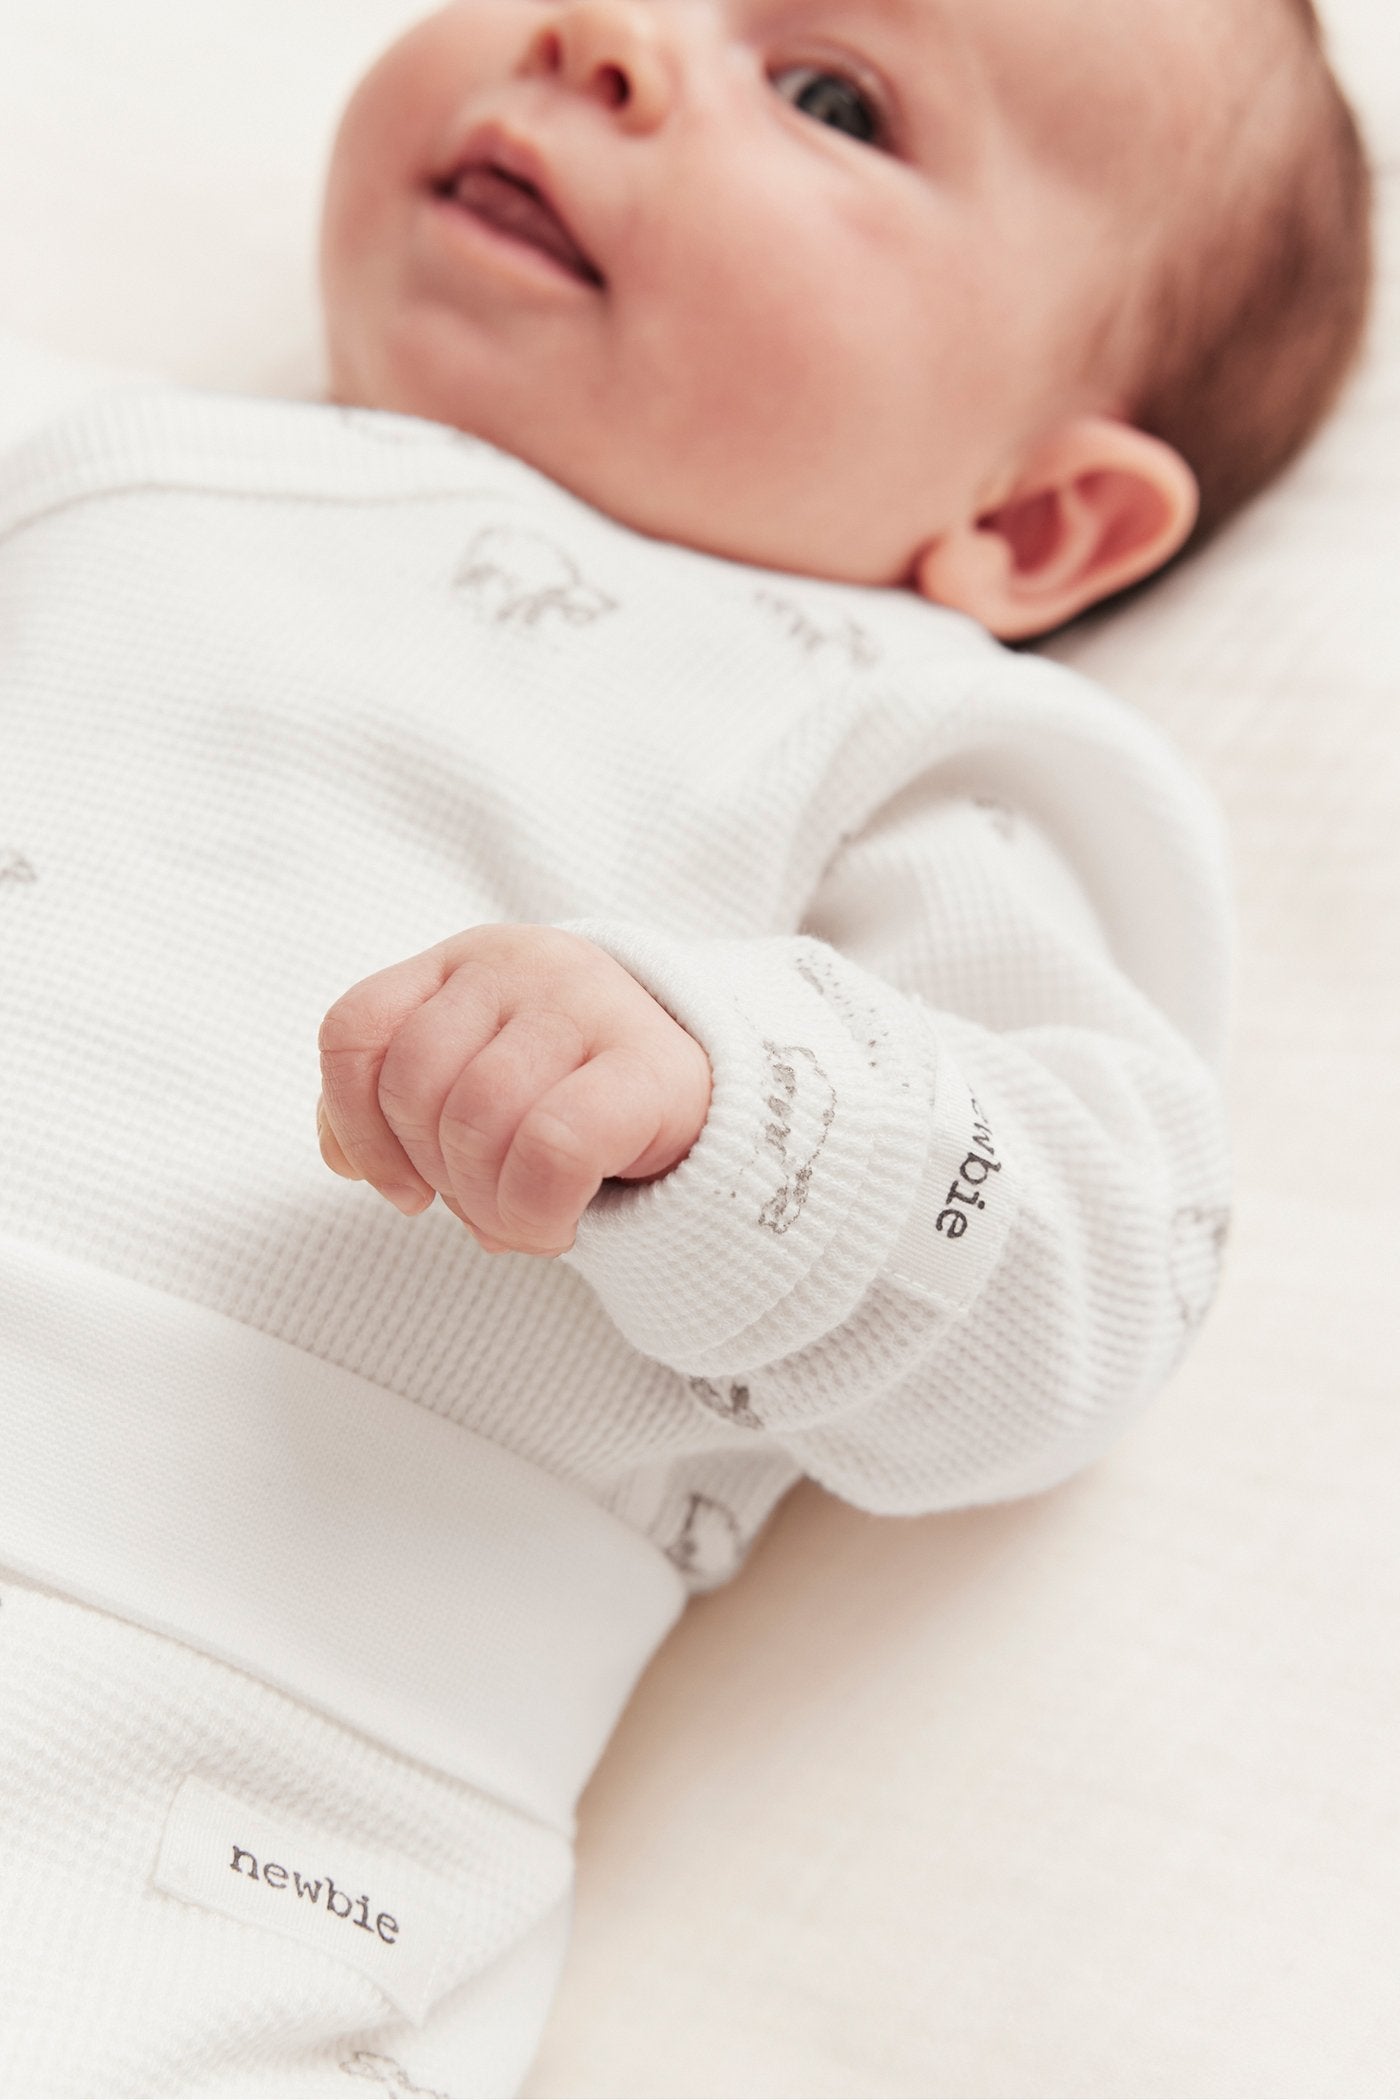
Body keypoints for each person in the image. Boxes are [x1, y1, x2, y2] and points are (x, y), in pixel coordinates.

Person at [0, 0, 1371, 2093]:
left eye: (829, 96)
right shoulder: (84, 455)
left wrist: (734, 1112)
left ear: (1030, 526)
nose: (608, 47)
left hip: (218, 1747)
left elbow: (1093, 1267)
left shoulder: (897, 737)